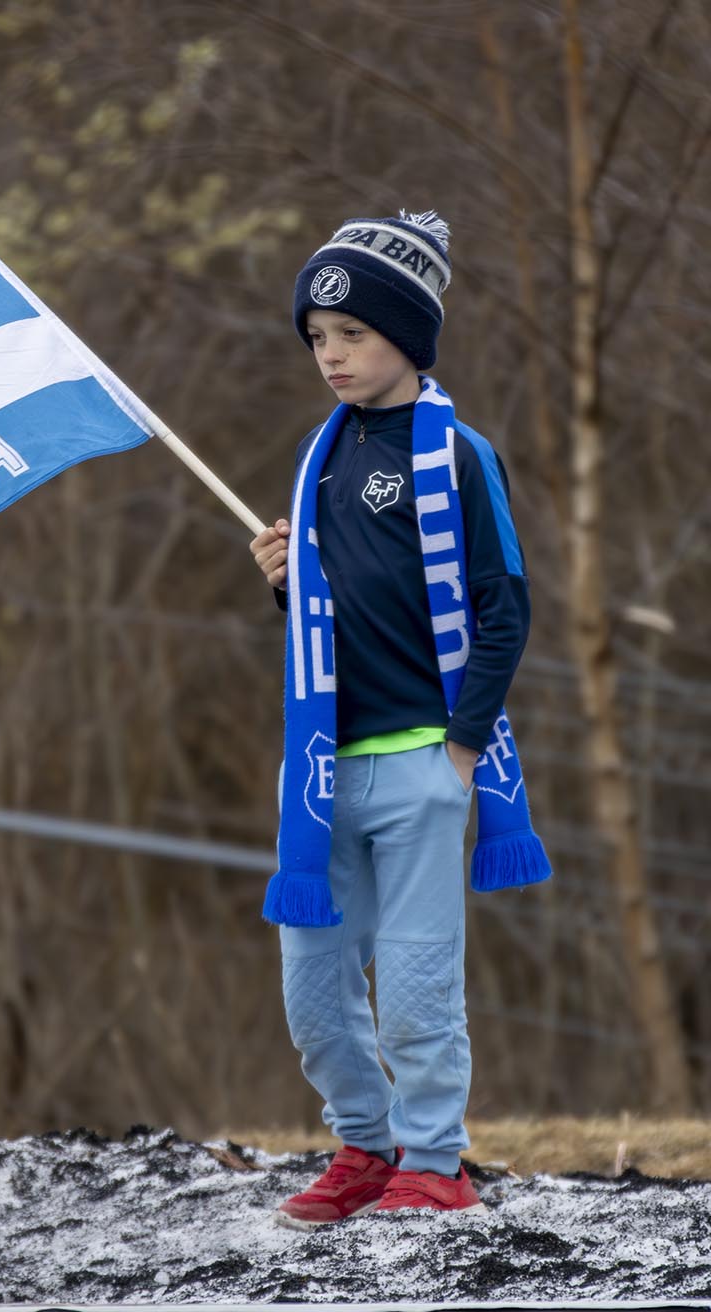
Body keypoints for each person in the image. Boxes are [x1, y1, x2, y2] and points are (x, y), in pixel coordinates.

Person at [247, 210, 550, 1228]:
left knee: (418, 981)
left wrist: (459, 749)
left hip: (424, 759)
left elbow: (502, 605)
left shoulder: (460, 455)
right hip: (322, 769)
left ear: (406, 337)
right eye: (317, 338)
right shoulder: (315, 457)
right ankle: (363, 1147)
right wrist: (287, 585)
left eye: (352, 336)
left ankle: (433, 1159)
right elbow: (334, 612)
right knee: (313, 988)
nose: (329, 357)